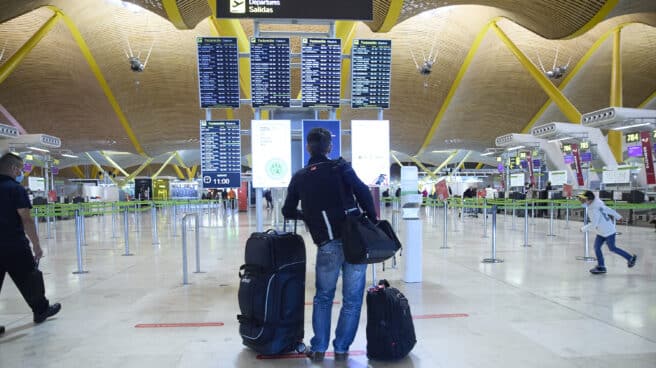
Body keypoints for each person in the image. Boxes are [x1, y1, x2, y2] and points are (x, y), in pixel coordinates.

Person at [282, 128, 377, 362]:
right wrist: (372, 220)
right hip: (355, 242)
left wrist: (306, 216)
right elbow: (362, 191)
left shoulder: (300, 176)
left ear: (308, 147)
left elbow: (287, 210)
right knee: (353, 299)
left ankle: (319, 347)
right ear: (328, 148)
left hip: (327, 244)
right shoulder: (340, 167)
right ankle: (342, 349)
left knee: (323, 296)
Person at [0, 153, 61, 335]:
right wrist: (36, 245)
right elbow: (26, 219)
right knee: (30, 277)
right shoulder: (15, 189)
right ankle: (41, 310)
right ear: (13, 168)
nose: (21, 173)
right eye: (20, 169)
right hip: (14, 244)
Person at [577, 190, 637, 274]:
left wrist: (583, 229)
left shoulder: (594, 209)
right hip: (601, 232)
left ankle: (630, 258)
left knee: (612, 248)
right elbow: (610, 210)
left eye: (584, 200)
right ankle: (601, 267)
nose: (582, 202)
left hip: (608, 231)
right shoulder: (597, 205)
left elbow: (594, 224)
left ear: (590, 200)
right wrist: (618, 217)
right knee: (597, 248)